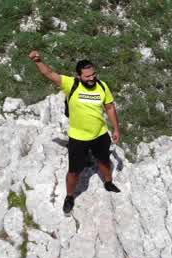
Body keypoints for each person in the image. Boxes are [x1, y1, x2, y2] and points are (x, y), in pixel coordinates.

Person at [27, 50, 122, 214]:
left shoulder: (102, 86)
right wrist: (38, 61)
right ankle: (70, 196)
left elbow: (109, 107)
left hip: (100, 134)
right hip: (78, 137)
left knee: (104, 162)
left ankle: (108, 182)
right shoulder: (71, 84)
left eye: (93, 74)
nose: (92, 78)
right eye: (87, 76)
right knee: (74, 171)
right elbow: (49, 73)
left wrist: (116, 128)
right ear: (78, 76)